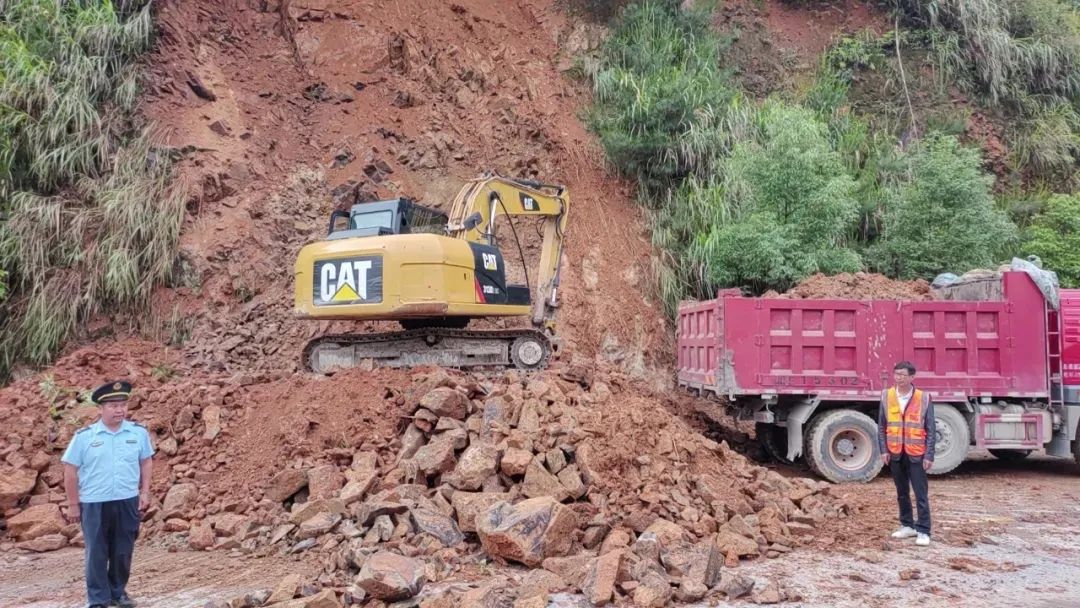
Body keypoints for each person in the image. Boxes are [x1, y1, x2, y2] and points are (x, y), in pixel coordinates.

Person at [62, 381, 154, 608]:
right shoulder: (84, 437)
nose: (119, 409)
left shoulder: (138, 433)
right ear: (101, 408)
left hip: (126, 500)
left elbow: (146, 461)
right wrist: (73, 504)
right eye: (113, 405)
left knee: (123, 550)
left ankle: (117, 592)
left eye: (122, 404)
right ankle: (98, 599)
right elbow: (70, 471)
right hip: (94, 503)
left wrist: (145, 492)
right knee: (96, 553)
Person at [878, 361, 935, 547]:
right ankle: (907, 525)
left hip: (916, 453)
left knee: (920, 494)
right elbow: (882, 426)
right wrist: (883, 450)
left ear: (912, 377)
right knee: (902, 492)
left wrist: (929, 455)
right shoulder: (887, 395)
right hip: (895, 452)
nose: (899, 378)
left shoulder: (923, 398)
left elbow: (931, 428)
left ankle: (924, 530)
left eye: (903, 374)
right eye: (896, 374)